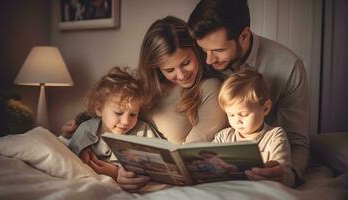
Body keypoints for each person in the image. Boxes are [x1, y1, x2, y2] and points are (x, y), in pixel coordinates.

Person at [187, 0, 309, 185]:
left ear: (244, 35)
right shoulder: (199, 59)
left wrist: (287, 174)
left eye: (218, 50)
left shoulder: (288, 67)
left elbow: (297, 142)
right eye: (204, 50)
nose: (209, 60)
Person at [116, 16, 227, 192]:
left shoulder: (210, 88)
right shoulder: (144, 89)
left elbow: (191, 157)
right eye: (169, 70)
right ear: (156, 68)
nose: (181, 75)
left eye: (186, 63)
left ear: (196, 50)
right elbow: (108, 114)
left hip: (173, 180)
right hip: (137, 169)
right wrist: (117, 172)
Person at [67, 66, 161, 180]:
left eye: (133, 114)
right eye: (118, 113)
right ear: (99, 109)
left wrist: (115, 172)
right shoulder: (86, 129)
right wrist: (81, 154)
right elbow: (70, 158)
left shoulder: (143, 130)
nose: (126, 121)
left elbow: (158, 163)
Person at [213, 69, 295, 187]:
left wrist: (278, 175)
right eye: (231, 115)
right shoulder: (223, 136)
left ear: (265, 108)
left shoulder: (274, 135)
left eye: (243, 114)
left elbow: (286, 173)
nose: (237, 120)